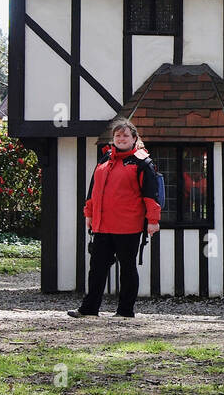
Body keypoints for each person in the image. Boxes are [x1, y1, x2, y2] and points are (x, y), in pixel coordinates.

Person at [67, 118, 161, 319]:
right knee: (97, 268)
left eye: (125, 135)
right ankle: (89, 308)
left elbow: (150, 195)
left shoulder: (142, 162)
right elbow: (93, 190)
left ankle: (125, 311)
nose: (121, 138)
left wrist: (153, 221)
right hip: (102, 225)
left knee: (127, 268)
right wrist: (89, 214)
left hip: (128, 226)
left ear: (134, 138)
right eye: (118, 135)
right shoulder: (105, 159)